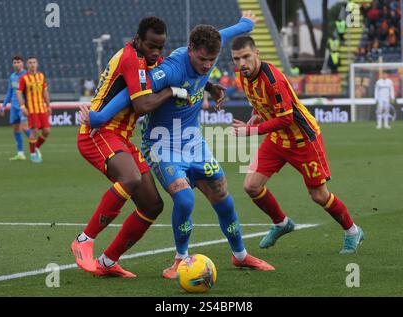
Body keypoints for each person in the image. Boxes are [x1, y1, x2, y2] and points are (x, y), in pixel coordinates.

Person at [83, 11, 275, 279]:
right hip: (161, 142)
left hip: (193, 141)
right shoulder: (171, 67)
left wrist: (247, 24)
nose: (207, 64)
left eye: (212, 59)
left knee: (223, 196)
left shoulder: (211, 46)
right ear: (190, 50)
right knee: (184, 199)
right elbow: (135, 89)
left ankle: (240, 255)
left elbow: (227, 33)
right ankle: (180, 260)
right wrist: (101, 116)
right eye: (202, 59)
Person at [73, 17, 190, 278]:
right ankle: (84, 240)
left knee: (152, 205)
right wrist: (172, 92)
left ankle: (107, 262)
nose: (156, 52)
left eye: (160, 47)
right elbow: (142, 105)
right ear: (138, 40)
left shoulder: (151, 61)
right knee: (130, 177)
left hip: (121, 136)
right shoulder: (131, 58)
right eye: (151, 46)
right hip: (97, 133)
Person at [230, 35, 364, 254]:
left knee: (319, 195)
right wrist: (257, 114)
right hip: (277, 139)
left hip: (304, 140)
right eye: (237, 59)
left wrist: (251, 130)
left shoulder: (274, 81)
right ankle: (282, 223)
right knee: (251, 186)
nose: (242, 63)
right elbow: (260, 101)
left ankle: (352, 231)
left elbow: (286, 118)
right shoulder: (243, 76)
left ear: (257, 54)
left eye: (246, 56)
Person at [16, 57, 51, 163]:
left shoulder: (41, 76)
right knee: (34, 131)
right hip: (32, 109)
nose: (32, 64)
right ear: (27, 65)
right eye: (30, 63)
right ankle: (32, 155)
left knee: (46, 131)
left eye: (34, 62)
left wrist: (48, 105)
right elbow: (18, 93)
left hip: (42, 108)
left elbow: (45, 92)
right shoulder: (23, 78)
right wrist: (22, 107)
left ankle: (36, 146)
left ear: (37, 64)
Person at [0, 55, 31, 160]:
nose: (16, 64)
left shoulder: (27, 75)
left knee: (25, 128)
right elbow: (9, 92)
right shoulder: (12, 76)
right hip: (14, 107)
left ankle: (36, 149)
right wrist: (3, 106)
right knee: (16, 129)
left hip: (23, 106)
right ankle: (20, 153)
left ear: (22, 63)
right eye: (14, 62)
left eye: (18, 62)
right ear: (12, 64)